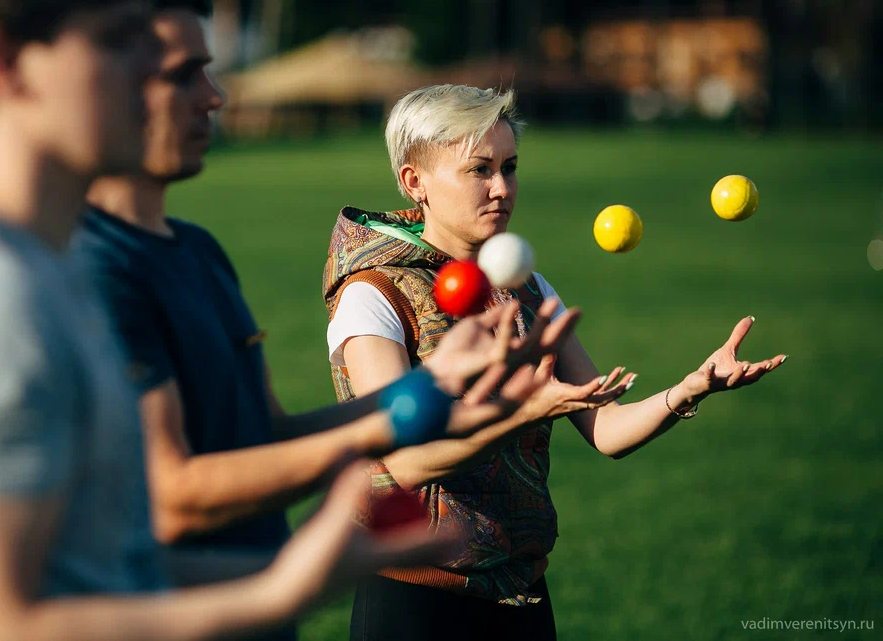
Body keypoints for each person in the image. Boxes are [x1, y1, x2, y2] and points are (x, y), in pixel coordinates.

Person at [0, 0, 527, 641]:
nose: (200, 93)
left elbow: (98, 567)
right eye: (123, 45)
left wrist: (425, 396)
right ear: (6, 63)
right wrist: (275, 591)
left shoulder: (37, 267)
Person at [70, 0, 593, 620]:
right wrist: (294, 577)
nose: (214, 96)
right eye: (183, 72)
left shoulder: (199, 252)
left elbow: (266, 436)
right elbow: (175, 494)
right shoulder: (84, 268)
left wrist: (426, 393)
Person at [322, 84, 788, 641]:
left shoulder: (528, 290)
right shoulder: (373, 294)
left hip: (520, 589)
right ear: (414, 181)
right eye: (479, 170)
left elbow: (606, 428)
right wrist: (519, 416)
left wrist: (689, 389)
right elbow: (406, 462)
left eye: (510, 167)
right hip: (412, 597)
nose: (501, 188)